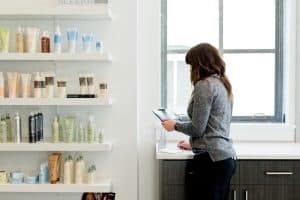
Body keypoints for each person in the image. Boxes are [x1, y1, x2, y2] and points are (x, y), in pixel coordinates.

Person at [162, 43, 236, 200]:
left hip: (212, 161)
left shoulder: (204, 85)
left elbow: (197, 128)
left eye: (191, 65)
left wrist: (173, 125)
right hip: (224, 158)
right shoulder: (222, 83)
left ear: (200, 64)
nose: (190, 70)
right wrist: (196, 143)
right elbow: (216, 125)